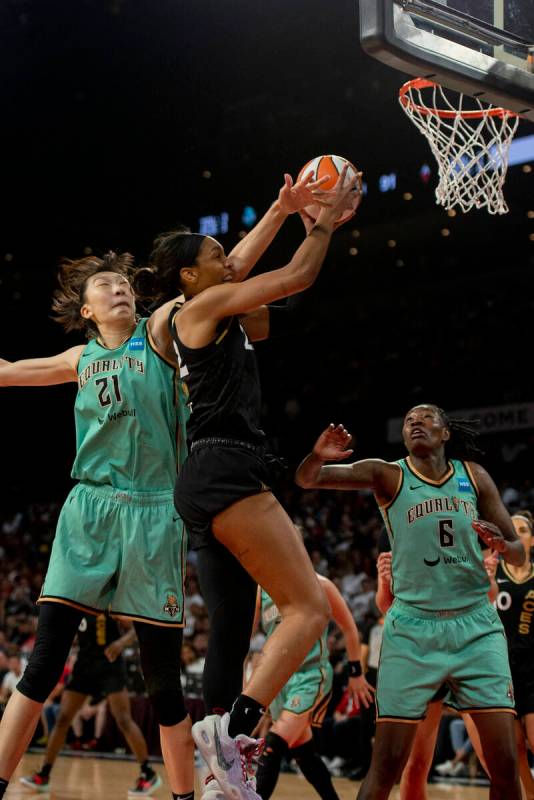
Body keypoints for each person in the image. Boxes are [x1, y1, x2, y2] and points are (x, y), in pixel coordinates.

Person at [142, 166, 360, 800]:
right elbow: (293, 277)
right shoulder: (202, 306)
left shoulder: (203, 311)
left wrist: (281, 207)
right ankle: (234, 731)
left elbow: (239, 266)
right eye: (214, 255)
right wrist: (320, 222)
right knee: (307, 608)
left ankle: (221, 781)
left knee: (232, 637)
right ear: (190, 275)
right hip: (226, 468)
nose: (228, 260)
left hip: (204, 481)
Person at [0, 252, 194, 800]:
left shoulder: (159, 334)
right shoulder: (79, 356)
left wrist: (281, 211)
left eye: (125, 284)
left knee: (165, 686)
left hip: (156, 510)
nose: (120, 290)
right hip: (89, 509)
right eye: (106, 285)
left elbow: (217, 279)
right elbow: (8, 372)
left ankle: (181, 796)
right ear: (86, 309)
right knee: (41, 665)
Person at [295, 405, 525, 800]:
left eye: (426, 417)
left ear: (446, 432)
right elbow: (308, 479)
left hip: (476, 627)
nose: (416, 422)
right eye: (408, 420)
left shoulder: (474, 476)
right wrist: (317, 457)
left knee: (504, 765)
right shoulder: (388, 474)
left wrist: (504, 545)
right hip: (413, 630)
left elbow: (520, 554)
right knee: (385, 768)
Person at [375, 550, 492, 798]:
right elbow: (386, 606)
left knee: (493, 759)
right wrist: (385, 581)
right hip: (421, 653)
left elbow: (490, 597)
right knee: (415, 764)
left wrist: (487, 577)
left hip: (468, 648)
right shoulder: (398, 536)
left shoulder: (463, 529)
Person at [254, 574, 374, 800]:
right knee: (303, 752)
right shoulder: (263, 590)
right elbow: (246, 637)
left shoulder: (320, 583)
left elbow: (349, 627)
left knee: (272, 745)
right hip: (278, 679)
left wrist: (356, 672)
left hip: (310, 675)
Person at [20, 613, 161, 796]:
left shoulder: (110, 598)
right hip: (85, 664)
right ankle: (44, 775)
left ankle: (148, 773)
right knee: (63, 718)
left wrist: (120, 643)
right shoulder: (78, 599)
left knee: (124, 720)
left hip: (109, 665)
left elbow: (136, 629)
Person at [494, 510, 534, 800]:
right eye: (512, 529)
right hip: (500, 668)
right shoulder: (492, 570)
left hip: (532, 667)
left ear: (532, 540)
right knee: (516, 748)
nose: (516, 533)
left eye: (521, 530)